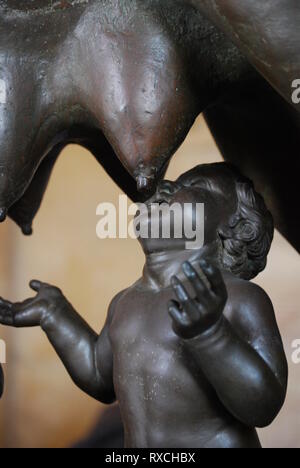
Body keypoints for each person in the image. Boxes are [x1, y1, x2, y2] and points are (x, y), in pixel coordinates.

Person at [0, 163, 287, 448]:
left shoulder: (237, 298)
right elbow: (100, 378)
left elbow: (264, 405)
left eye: (195, 186)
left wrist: (212, 335)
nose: (166, 187)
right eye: (171, 182)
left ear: (235, 226)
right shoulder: (124, 302)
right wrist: (56, 315)